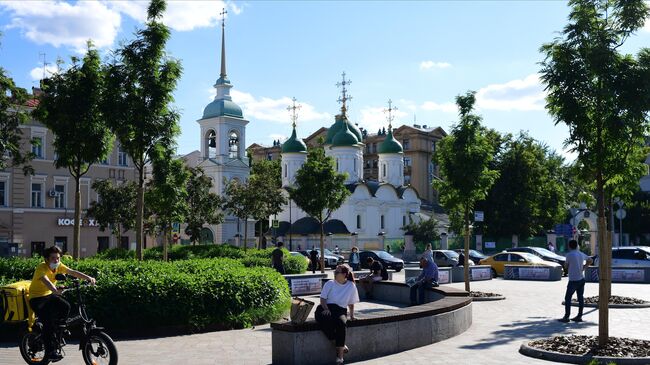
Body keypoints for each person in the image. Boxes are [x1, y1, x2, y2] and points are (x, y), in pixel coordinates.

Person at [29, 246, 96, 361]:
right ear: (46, 259)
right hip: (37, 299)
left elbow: (72, 272)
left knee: (66, 306)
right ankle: (50, 351)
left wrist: (88, 278)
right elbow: (46, 280)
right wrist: (55, 290)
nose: (56, 261)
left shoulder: (59, 266)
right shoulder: (42, 267)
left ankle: (59, 328)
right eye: (53, 258)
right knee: (48, 323)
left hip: (49, 295)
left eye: (58, 258)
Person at [315, 264, 358, 365]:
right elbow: (323, 299)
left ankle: (340, 358)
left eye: (337, 272)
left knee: (341, 323)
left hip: (340, 311)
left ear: (344, 274)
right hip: (325, 308)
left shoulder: (351, 285)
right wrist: (326, 309)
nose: (334, 273)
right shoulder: (330, 283)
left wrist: (351, 316)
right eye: (334, 271)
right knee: (326, 319)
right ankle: (340, 346)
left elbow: (351, 303)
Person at [559, 239, 593, 323]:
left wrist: (566, 265)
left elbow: (566, 266)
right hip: (581, 279)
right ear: (576, 246)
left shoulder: (569, 255)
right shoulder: (581, 254)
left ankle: (566, 317)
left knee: (568, 298)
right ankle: (579, 316)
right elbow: (590, 260)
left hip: (573, 280)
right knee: (580, 298)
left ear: (569, 246)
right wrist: (584, 267)